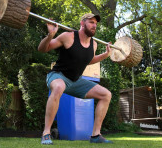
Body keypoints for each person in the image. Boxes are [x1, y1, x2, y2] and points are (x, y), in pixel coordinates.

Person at [38, 13, 113, 145]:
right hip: (58, 76)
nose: (94, 25)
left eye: (95, 23)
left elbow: (87, 60)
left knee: (106, 95)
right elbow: (42, 49)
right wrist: (50, 35)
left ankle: (95, 135)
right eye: (91, 22)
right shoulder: (68, 36)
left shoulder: (94, 44)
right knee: (59, 87)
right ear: (82, 23)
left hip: (75, 81)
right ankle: (46, 133)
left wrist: (105, 55)